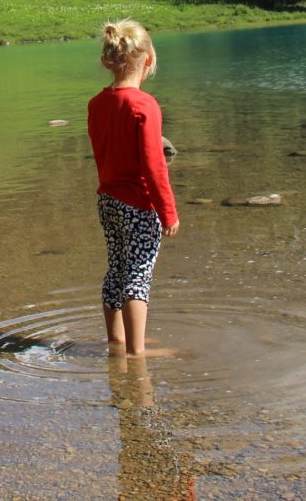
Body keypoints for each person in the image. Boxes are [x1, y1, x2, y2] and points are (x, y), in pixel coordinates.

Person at [87, 19, 180, 357]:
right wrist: (167, 212)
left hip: (107, 199)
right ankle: (137, 353)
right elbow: (154, 166)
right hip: (138, 204)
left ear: (107, 61)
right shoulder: (144, 106)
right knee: (138, 275)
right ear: (149, 60)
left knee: (117, 267)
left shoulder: (96, 104)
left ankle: (117, 340)